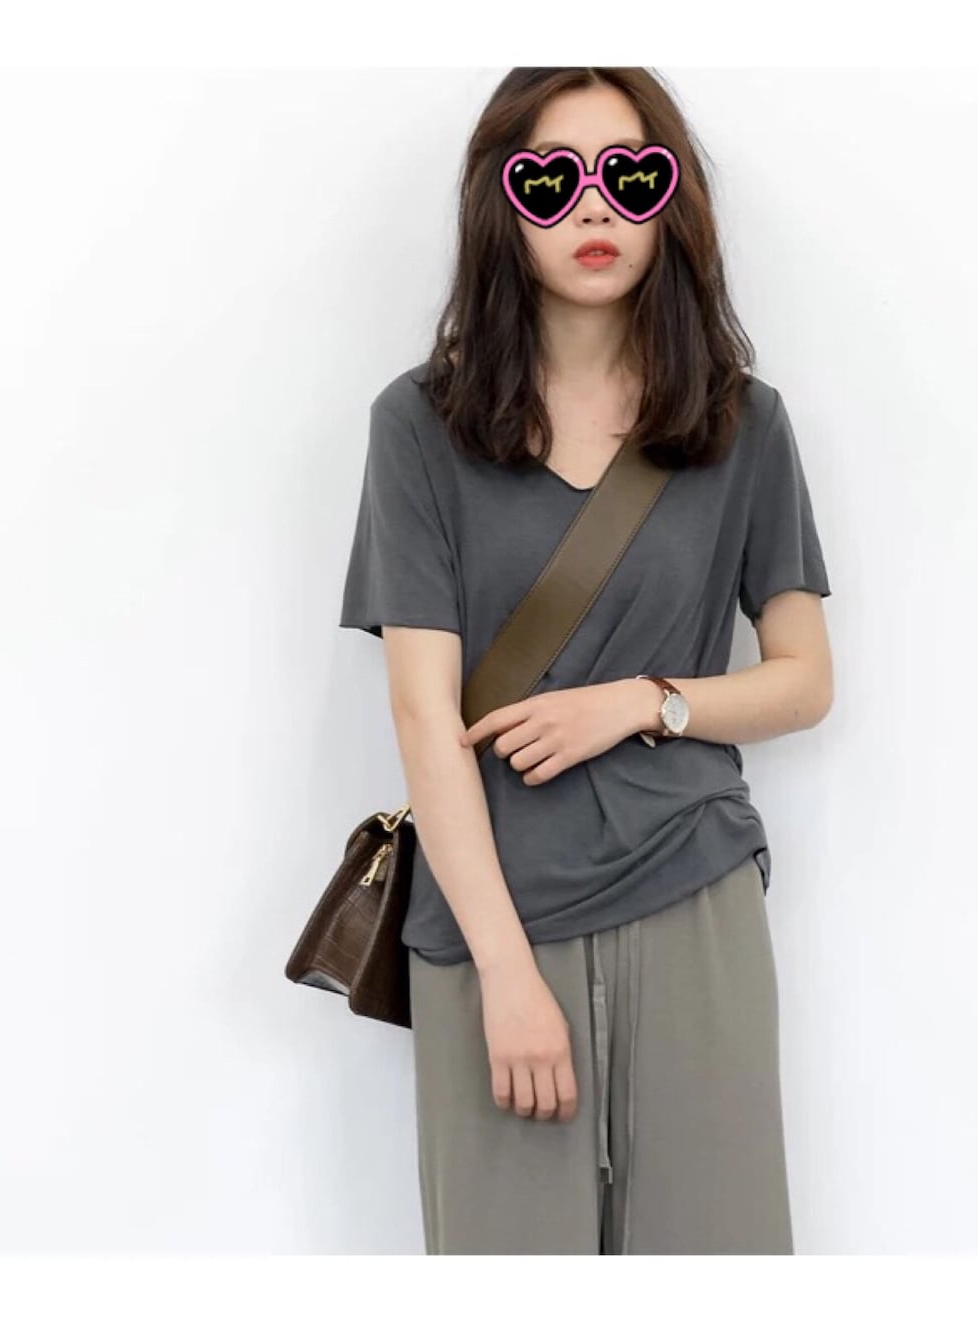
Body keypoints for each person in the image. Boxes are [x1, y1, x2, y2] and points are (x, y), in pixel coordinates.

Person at [338, 66, 834, 1255]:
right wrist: (507, 975)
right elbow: (422, 713)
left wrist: (641, 703)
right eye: (550, 180)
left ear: (672, 201)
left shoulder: (740, 422)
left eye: (630, 174)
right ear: (500, 205)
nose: (594, 205)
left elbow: (804, 677)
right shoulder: (420, 426)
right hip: (490, 916)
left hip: (694, 895)